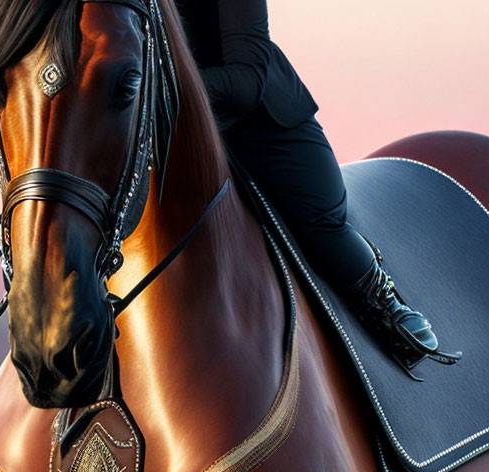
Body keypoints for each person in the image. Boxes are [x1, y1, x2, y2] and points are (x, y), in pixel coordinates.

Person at [174, 0, 448, 361]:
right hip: (166, 127)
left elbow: (248, 79)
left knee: (323, 222)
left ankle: (384, 304)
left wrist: (164, 88)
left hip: (262, 124)